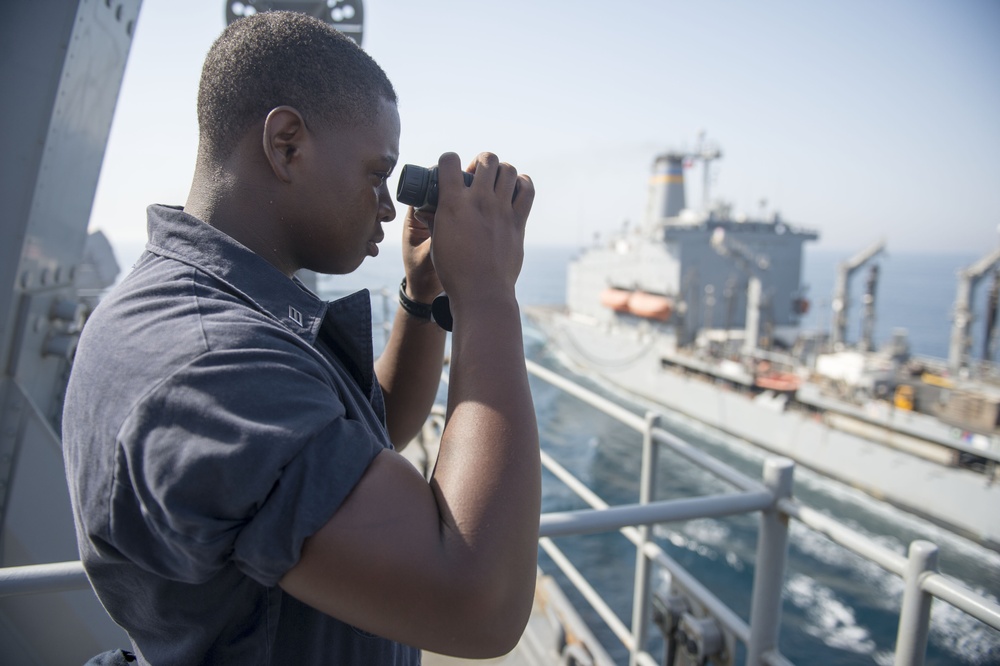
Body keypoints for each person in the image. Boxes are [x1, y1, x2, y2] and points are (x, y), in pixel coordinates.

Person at [63, 11, 539, 665]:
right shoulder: (210, 365)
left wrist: (426, 294)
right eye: (377, 173)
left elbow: (372, 437)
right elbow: (480, 605)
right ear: (286, 144)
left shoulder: (211, 307)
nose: (386, 205)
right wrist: (488, 295)